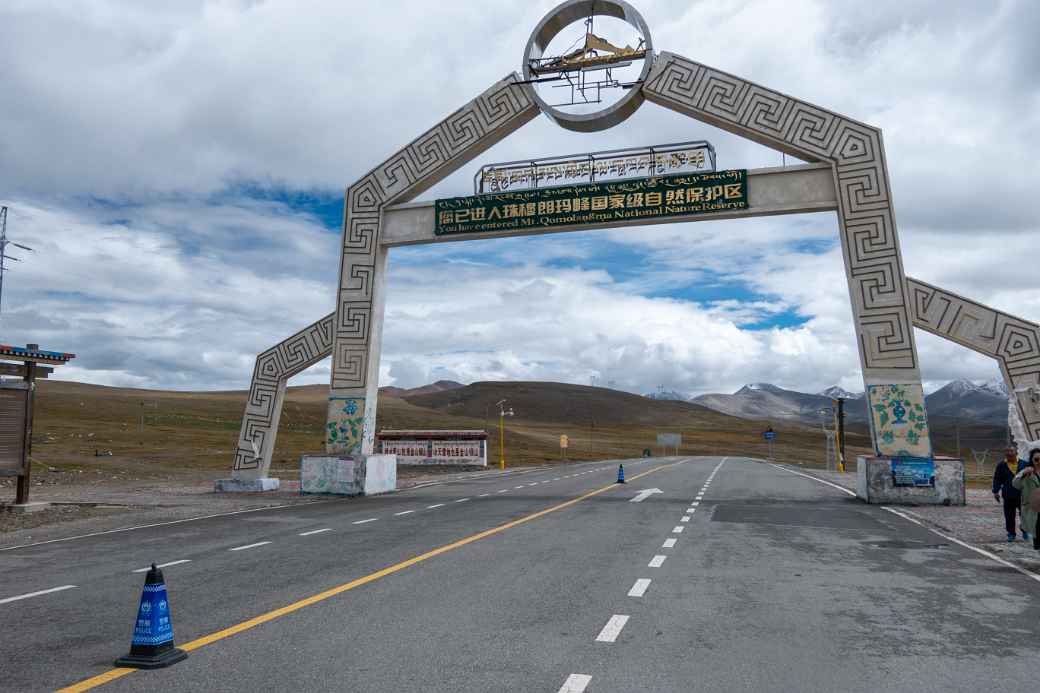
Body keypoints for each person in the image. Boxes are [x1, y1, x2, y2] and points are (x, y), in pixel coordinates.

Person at [993, 446, 1027, 541]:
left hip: (1023, 495)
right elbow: (997, 479)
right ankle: (1011, 533)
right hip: (1008, 495)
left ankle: (1025, 530)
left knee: (1025, 515)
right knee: (1009, 516)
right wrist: (996, 491)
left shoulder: (1024, 464)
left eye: (1011, 451)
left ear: (1016, 452)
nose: (1009, 453)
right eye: (1007, 451)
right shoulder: (1001, 465)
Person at [1011, 448, 1040, 551]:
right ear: (1032, 460)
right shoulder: (1027, 472)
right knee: (1037, 531)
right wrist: (1023, 474)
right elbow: (1015, 484)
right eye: (1036, 459)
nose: (1038, 462)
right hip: (1033, 508)